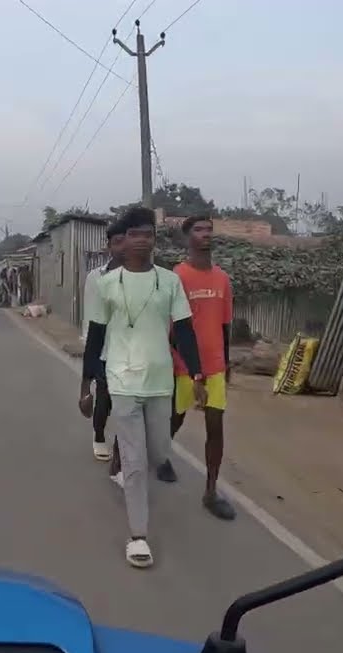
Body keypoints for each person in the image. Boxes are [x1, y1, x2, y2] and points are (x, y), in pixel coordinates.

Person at [79, 206, 205, 568]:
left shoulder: (169, 282)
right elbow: (96, 336)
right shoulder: (105, 284)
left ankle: (135, 471)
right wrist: (86, 383)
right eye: (135, 234)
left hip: (159, 380)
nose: (142, 240)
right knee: (135, 460)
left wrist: (196, 374)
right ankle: (138, 536)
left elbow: (183, 330)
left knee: (159, 451)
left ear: (154, 240)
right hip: (120, 379)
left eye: (148, 234)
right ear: (125, 239)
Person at [159, 213, 237, 520]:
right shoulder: (177, 276)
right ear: (187, 237)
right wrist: (185, 368)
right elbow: (172, 329)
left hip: (215, 366)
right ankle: (161, 455)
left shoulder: (222, 279)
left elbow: (225, 324)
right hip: (183, 367)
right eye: (199, 230)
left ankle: (210, 491)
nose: (206, 234)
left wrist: (226, 362)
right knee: (174, 421)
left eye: (209, 230)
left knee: (215, 427)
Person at [81, 222, 127, 462]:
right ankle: (99, 435)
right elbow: (90, 317)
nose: (122, 247)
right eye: (117, 242)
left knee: (130, 404)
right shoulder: (96, 278)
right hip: (105, 350)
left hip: (134, 351)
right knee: (105, 398)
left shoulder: (144, 276)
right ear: (108, 246)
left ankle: (124, 449)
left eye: (125, 241)